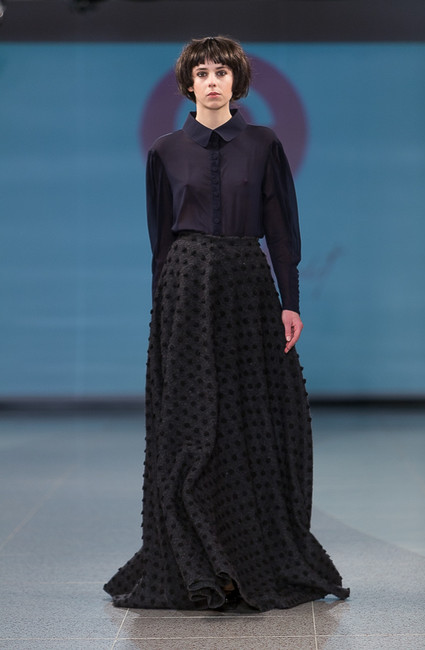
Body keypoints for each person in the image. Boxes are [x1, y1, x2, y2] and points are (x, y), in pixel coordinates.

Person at [104, 35, 349, 612]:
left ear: (236, 82)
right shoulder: (165, 152)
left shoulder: (264, 144)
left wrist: (290, 302)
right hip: (186, 292)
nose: (212, 81)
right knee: (190, 428)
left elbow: (282, 231)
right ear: (188, 83)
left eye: (221, 72)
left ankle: (248, 554)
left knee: (247, 421)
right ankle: (197, 559)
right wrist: (162, 314)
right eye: (202, 73)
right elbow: (160, 242)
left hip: (246, 288)